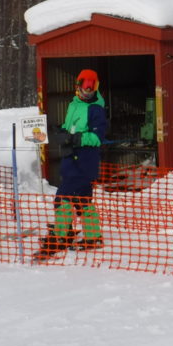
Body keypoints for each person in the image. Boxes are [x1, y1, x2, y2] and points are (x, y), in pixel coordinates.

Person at [34, 69, 109, 261]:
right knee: (83, 200)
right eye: (85, 87)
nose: (88, 91)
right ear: (78, 86)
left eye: (92, 87)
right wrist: (60, 131)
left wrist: (75, 138)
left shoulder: (96, 109)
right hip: (71, 159)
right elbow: (71, 128)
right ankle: (93, 236)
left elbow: (97, 137)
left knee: (63, 198)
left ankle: (61, 235)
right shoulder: (74, 104)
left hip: (84, 161)